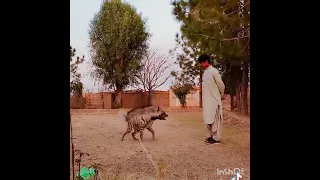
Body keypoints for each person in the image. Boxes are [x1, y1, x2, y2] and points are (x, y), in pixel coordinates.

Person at [198, 54, 225, 144]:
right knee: (208, 118)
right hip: (207, 101)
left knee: (215, 119)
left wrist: (221, 95)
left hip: (214, 100)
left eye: (201, 63)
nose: (200, 65)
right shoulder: (205, 72)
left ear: (206, 62)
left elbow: (221, 85)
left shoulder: (214, 71)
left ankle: (216, 138)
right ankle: (210, 137)